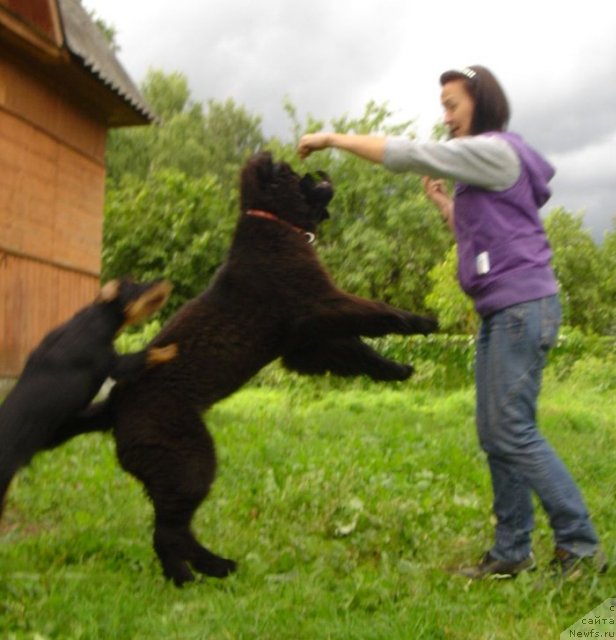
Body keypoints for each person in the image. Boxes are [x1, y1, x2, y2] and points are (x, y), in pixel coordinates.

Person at [297, 65, 606, 579]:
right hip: (503, 310)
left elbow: (409, 152)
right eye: (442, 106)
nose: (445, 116)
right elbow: (481, 232)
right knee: (495, 432)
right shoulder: (484, 165)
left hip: (521, 309)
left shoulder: (494, 150)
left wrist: (334, 138)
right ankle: (512, 550)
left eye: (451, 105)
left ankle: (580, 546)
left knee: (512, 430)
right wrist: (444, 204)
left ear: (479, 105)